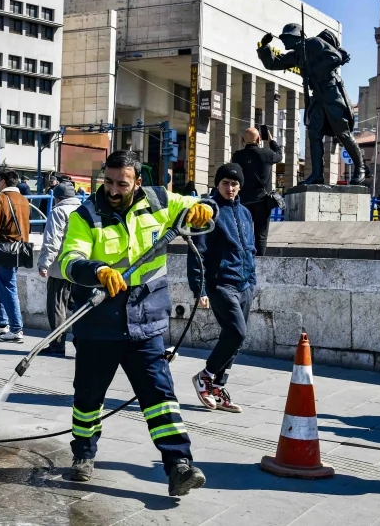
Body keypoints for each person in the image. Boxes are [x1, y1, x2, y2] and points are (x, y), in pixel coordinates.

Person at [57, 150, 214, 496]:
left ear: (138, 182)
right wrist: (98, 270)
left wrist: (203, 209)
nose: (113, 190)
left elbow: (197, 206)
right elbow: (69, 260)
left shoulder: (159, 201)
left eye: (122, 184)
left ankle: (179, 465)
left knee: (160, 395)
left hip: (146, 321)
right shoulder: (86, 215)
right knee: (88, 397)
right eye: (109, 182)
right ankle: (83, 453)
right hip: (99, 323)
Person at [257, 25, 366, 185]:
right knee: (314, 133)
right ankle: (316, 174)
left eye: (286, 38)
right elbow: (273, 64)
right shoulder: (296, 55)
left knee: (342, 132)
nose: (284, 41)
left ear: (296, 37)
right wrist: (264, 47)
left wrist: (313, 70)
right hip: (317, 96)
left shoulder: (313, 43)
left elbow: (335, 57)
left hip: (331, 91)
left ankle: (360, 167)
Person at [188, 163, 257, 414]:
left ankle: (218, 386)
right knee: (237, 333)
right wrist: (200, 289)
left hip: (245, 284)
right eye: (225, 183)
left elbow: (250, 249)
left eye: (235, 183)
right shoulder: (209, 210)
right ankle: (205, 376)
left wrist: (252, 280)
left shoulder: (245, 213)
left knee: (234, 340)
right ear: (217, 184)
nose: (230, 188)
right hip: (221, 283)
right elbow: (197, 252)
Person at [0, 169, 30, 343]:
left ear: (3, 181)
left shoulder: (1, 198)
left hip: (4, 248)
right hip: (17, 248)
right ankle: (1, 323)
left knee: (8, 287)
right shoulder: (24, 200)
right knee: (0, 286)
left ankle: (16, 328)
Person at [37, 182, 82, 356]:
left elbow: (52, 241)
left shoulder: (58, 212)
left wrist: (44, 264)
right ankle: (83, 344)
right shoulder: (84, 210)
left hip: (60, 270)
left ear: (57, 199)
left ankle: (57, 346)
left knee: (57, 309)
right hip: (80, 269)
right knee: (79, 309)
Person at [231, 127, 283, 256]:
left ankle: (245, 259)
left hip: (243, 202)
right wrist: (271, 141)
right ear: (259, 139)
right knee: (261, 235)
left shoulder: (237, 156)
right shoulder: (267, 154)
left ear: (242, 140)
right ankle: (259, 261)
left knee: (244, 233)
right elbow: (279, 155)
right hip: (262, 202)